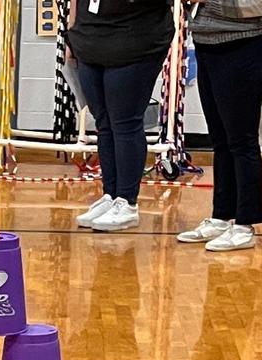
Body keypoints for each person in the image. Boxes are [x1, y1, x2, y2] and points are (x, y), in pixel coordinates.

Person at [66, 0, 173, 233]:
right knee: (103, 123)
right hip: (89, 38)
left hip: (135, 40)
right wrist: (72, 34)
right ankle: (110, 194)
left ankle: (127, 201)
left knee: (125, 121)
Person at [179, 0, 262, 252]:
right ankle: (221, 216)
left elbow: (259, 5)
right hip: (207, 44)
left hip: (245, 45)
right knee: (220, 140)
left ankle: (245, 224)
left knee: (242, 140)